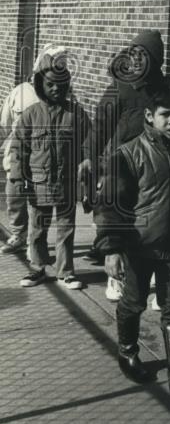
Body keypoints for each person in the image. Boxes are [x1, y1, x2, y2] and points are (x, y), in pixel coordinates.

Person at [94, 77, 170, 403]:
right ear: (150, 115)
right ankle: (128, 352)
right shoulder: (130, 154)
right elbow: (111, 205)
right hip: (137, 247)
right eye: (165, 114)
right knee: (132, 304)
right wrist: (113, 248)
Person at [87, 29, 166, 305]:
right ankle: (116, 274)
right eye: (133, 54)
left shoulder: (165, 88)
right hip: (124, 162)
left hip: (155, 163)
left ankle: (154, 272)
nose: (136, 60)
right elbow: (101, 124)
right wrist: (90, 156)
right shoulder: (121, 85)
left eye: (143, 55)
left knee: (153, 216)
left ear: (156, 60)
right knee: (118, 213)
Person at [12, 48, 91, 290]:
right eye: (50, 84)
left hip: (67, 183)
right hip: (39, 183)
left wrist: (87, 172)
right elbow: (19, 148)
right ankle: (37, 268)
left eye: (61, 84)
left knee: (66, 228)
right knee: (37, 228)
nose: (56, 88)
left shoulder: (76, 114)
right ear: (40, 84)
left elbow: (89, 145)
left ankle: (66, 272)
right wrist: (18, 177)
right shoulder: (31, 115)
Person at [0, 47, 67, 255]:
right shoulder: (20, 91)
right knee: (14, 196)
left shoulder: (62, 94)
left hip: (45, 159)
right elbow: (5, 123)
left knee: (39, 203)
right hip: (18, 154)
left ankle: (35, 243)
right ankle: (18, 234)